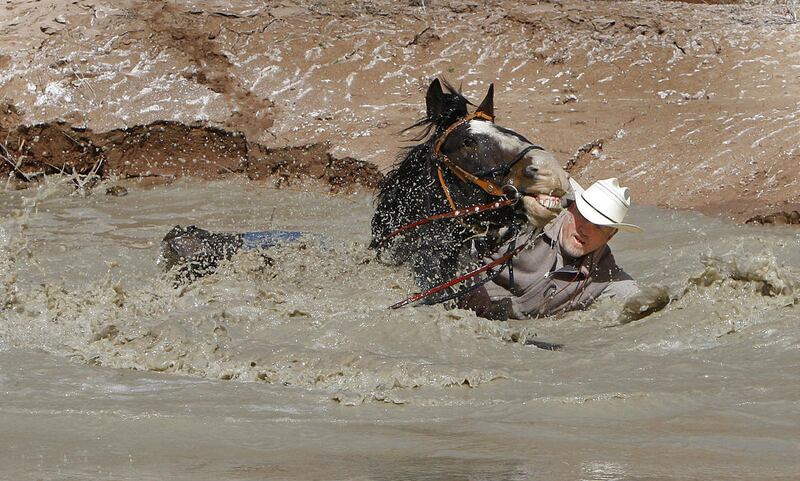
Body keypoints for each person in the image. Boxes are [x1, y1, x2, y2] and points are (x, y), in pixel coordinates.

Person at [462, 177, 642, 320]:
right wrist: (473, 292)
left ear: (611, 235)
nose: (585, 231)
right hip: (463, 303)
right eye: (584, 216)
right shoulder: (527, 220)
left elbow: (643, 302)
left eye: (599, 226)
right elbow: (458, 237)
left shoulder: (606, 276)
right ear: (571, 207)